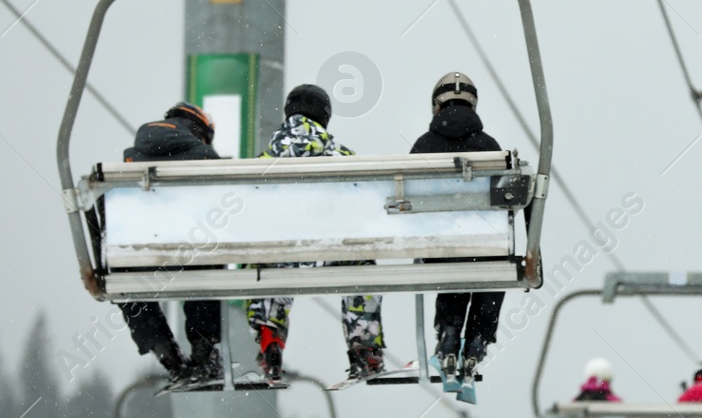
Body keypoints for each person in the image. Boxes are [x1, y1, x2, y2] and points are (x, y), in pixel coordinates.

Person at [246, 84, 386, 384]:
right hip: (333, 254)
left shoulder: (261, 161)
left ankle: (270, 343)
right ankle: (365, 350)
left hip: (281, 256)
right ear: (325, 117)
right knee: (363, 268)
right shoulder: (344, 157)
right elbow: (368, 208)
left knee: (260, 265)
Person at [117, 103, 223, 384]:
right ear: (200, 129)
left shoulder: (131, 158)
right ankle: (204, 351)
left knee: (125, 279)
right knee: (207, 261)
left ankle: (165, 352)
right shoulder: (205, 156)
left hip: (136, 254)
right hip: (192, 251)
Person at [411, 72, 503, 392]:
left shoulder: (423, 146)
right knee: (490, 259)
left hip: (440, 250)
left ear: (437, 105)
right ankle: (477, 338)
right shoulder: (490, 147)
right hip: (486, 249)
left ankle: (449, 332)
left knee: (452, 255)